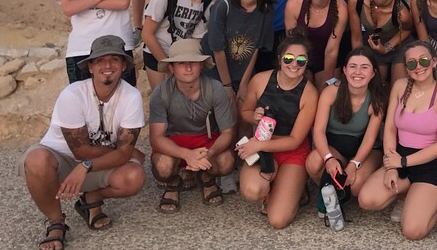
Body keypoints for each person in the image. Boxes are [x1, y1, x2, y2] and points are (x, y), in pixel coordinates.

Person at [19, 35, 146, 250]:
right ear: (90, 67)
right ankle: (56, 222)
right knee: (37, 160)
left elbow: (122, 154)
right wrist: (123, 152)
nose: (107, 65)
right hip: (62, 160)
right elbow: (80, 150)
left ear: (124, 65)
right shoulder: (73, 95)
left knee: (134, 176)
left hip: (91, 164)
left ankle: (91, 198)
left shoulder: (132, 96)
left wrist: (89, 164)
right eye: (100, 60)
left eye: (114, 59)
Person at [358, 41, 437, 240]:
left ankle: (435, 199)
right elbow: (390, 129)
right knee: (366, 199)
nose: (418, 66)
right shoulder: (399, 86)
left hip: (432, 166)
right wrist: (390, 166)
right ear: (406, 69)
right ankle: (410, 194)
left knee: (412, 231)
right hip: (400, 159)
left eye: (424, 60)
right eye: (412, 63)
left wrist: (402, 162)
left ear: (434, 62)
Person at [237, 34, 318, 229]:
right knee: (252, 191)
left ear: (307, 63)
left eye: (301, 60)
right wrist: (254, 116)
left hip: (292, 152)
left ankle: (295, 186)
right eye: (289, 58)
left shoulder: (310, 93)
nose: (294, 64)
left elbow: (295, 140)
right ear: (280, 58)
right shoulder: (260, 80)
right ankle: (273, 185)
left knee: (278, 220)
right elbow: (245, 112)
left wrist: (258, 145)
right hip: (263, 146)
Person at [149, 39, 235, 212]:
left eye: (193, 62)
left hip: (206, 141)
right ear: (171, 68)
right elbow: (156, 138)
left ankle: (205, 175)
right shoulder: (161, 92)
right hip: (174, 142)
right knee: (163, 167)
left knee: (226, 162)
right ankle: (173, 181)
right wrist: (186, 155)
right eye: (181, 63)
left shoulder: (215, 88)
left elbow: (227, 131)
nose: (188, 68)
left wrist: (209, 153)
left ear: (201, 65)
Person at [305, 47, 387, 210]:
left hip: (365, 150)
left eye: (365, 67)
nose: (358, 72)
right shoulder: (331, 92)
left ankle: (342, 189)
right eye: (352, 66)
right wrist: (329, 158)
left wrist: (354, 164)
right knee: (314, 162)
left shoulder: (377, 100)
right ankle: (330, 190)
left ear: (373, 73)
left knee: (356, 186)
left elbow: (369, 139)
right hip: (335, 148)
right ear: (344, 70)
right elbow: (319, 131)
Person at [141, 0, 220, 90]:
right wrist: (167, 65)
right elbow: (147, 34)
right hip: (157, 51)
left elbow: (198, 35)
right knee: (163, 98)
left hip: (185, 55)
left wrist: (187, 63)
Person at [204, 0, 276, 109]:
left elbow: (256, 47)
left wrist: (244, 84)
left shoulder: (266, 9)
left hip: (243, 73)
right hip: (216, 73)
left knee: (245, 112)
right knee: (226, 114)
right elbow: (217, 50)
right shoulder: (223, 5)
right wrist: (227, 86)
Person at [284, 0, 349, 87]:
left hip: (326, 60)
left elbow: (331, 51)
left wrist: (327, 83)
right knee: (304, 91)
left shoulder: (341, 9)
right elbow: (292, 45)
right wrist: (298, 71)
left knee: (329, 92)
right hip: (301, 58)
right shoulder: (293, 5)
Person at [348, 0, 414, 82]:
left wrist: (386, 48)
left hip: (399, 46)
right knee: (374, 86)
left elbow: (407, 29)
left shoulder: (402, 13)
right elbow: (356, 38)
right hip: (373, 45)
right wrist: (358, 62)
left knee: (398, 87)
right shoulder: (356, 1)